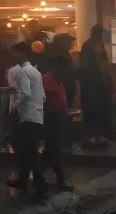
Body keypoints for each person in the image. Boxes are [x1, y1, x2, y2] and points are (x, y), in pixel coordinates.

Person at [7, 41, 46, 196]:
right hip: (38, 116)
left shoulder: (24, 72)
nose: (13, 56)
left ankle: (40, 185)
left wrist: (16, 107)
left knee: (27, 152)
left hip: (28, 117)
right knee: (29, 151)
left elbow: (24, 94)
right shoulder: (36, 72)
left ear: (23, 53)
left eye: (16, 53)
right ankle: (24, 180)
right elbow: (42, 96)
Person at [39, 55, 74, 192]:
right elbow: (45, 101)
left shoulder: (57, 80)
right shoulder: (46, 80)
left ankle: (38, 174)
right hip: (51, 119)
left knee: (51, 150)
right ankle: (61, 179)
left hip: (58, 119)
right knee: (55, 149)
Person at [79, 24, 112, 147]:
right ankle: (97, 136)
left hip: (88, 84)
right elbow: (101, 63)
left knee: (90, 110)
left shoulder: (86, 45)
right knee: (98, 110)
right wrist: (104, 76)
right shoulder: (96, 45)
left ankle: (91, 136)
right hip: (96, 85)